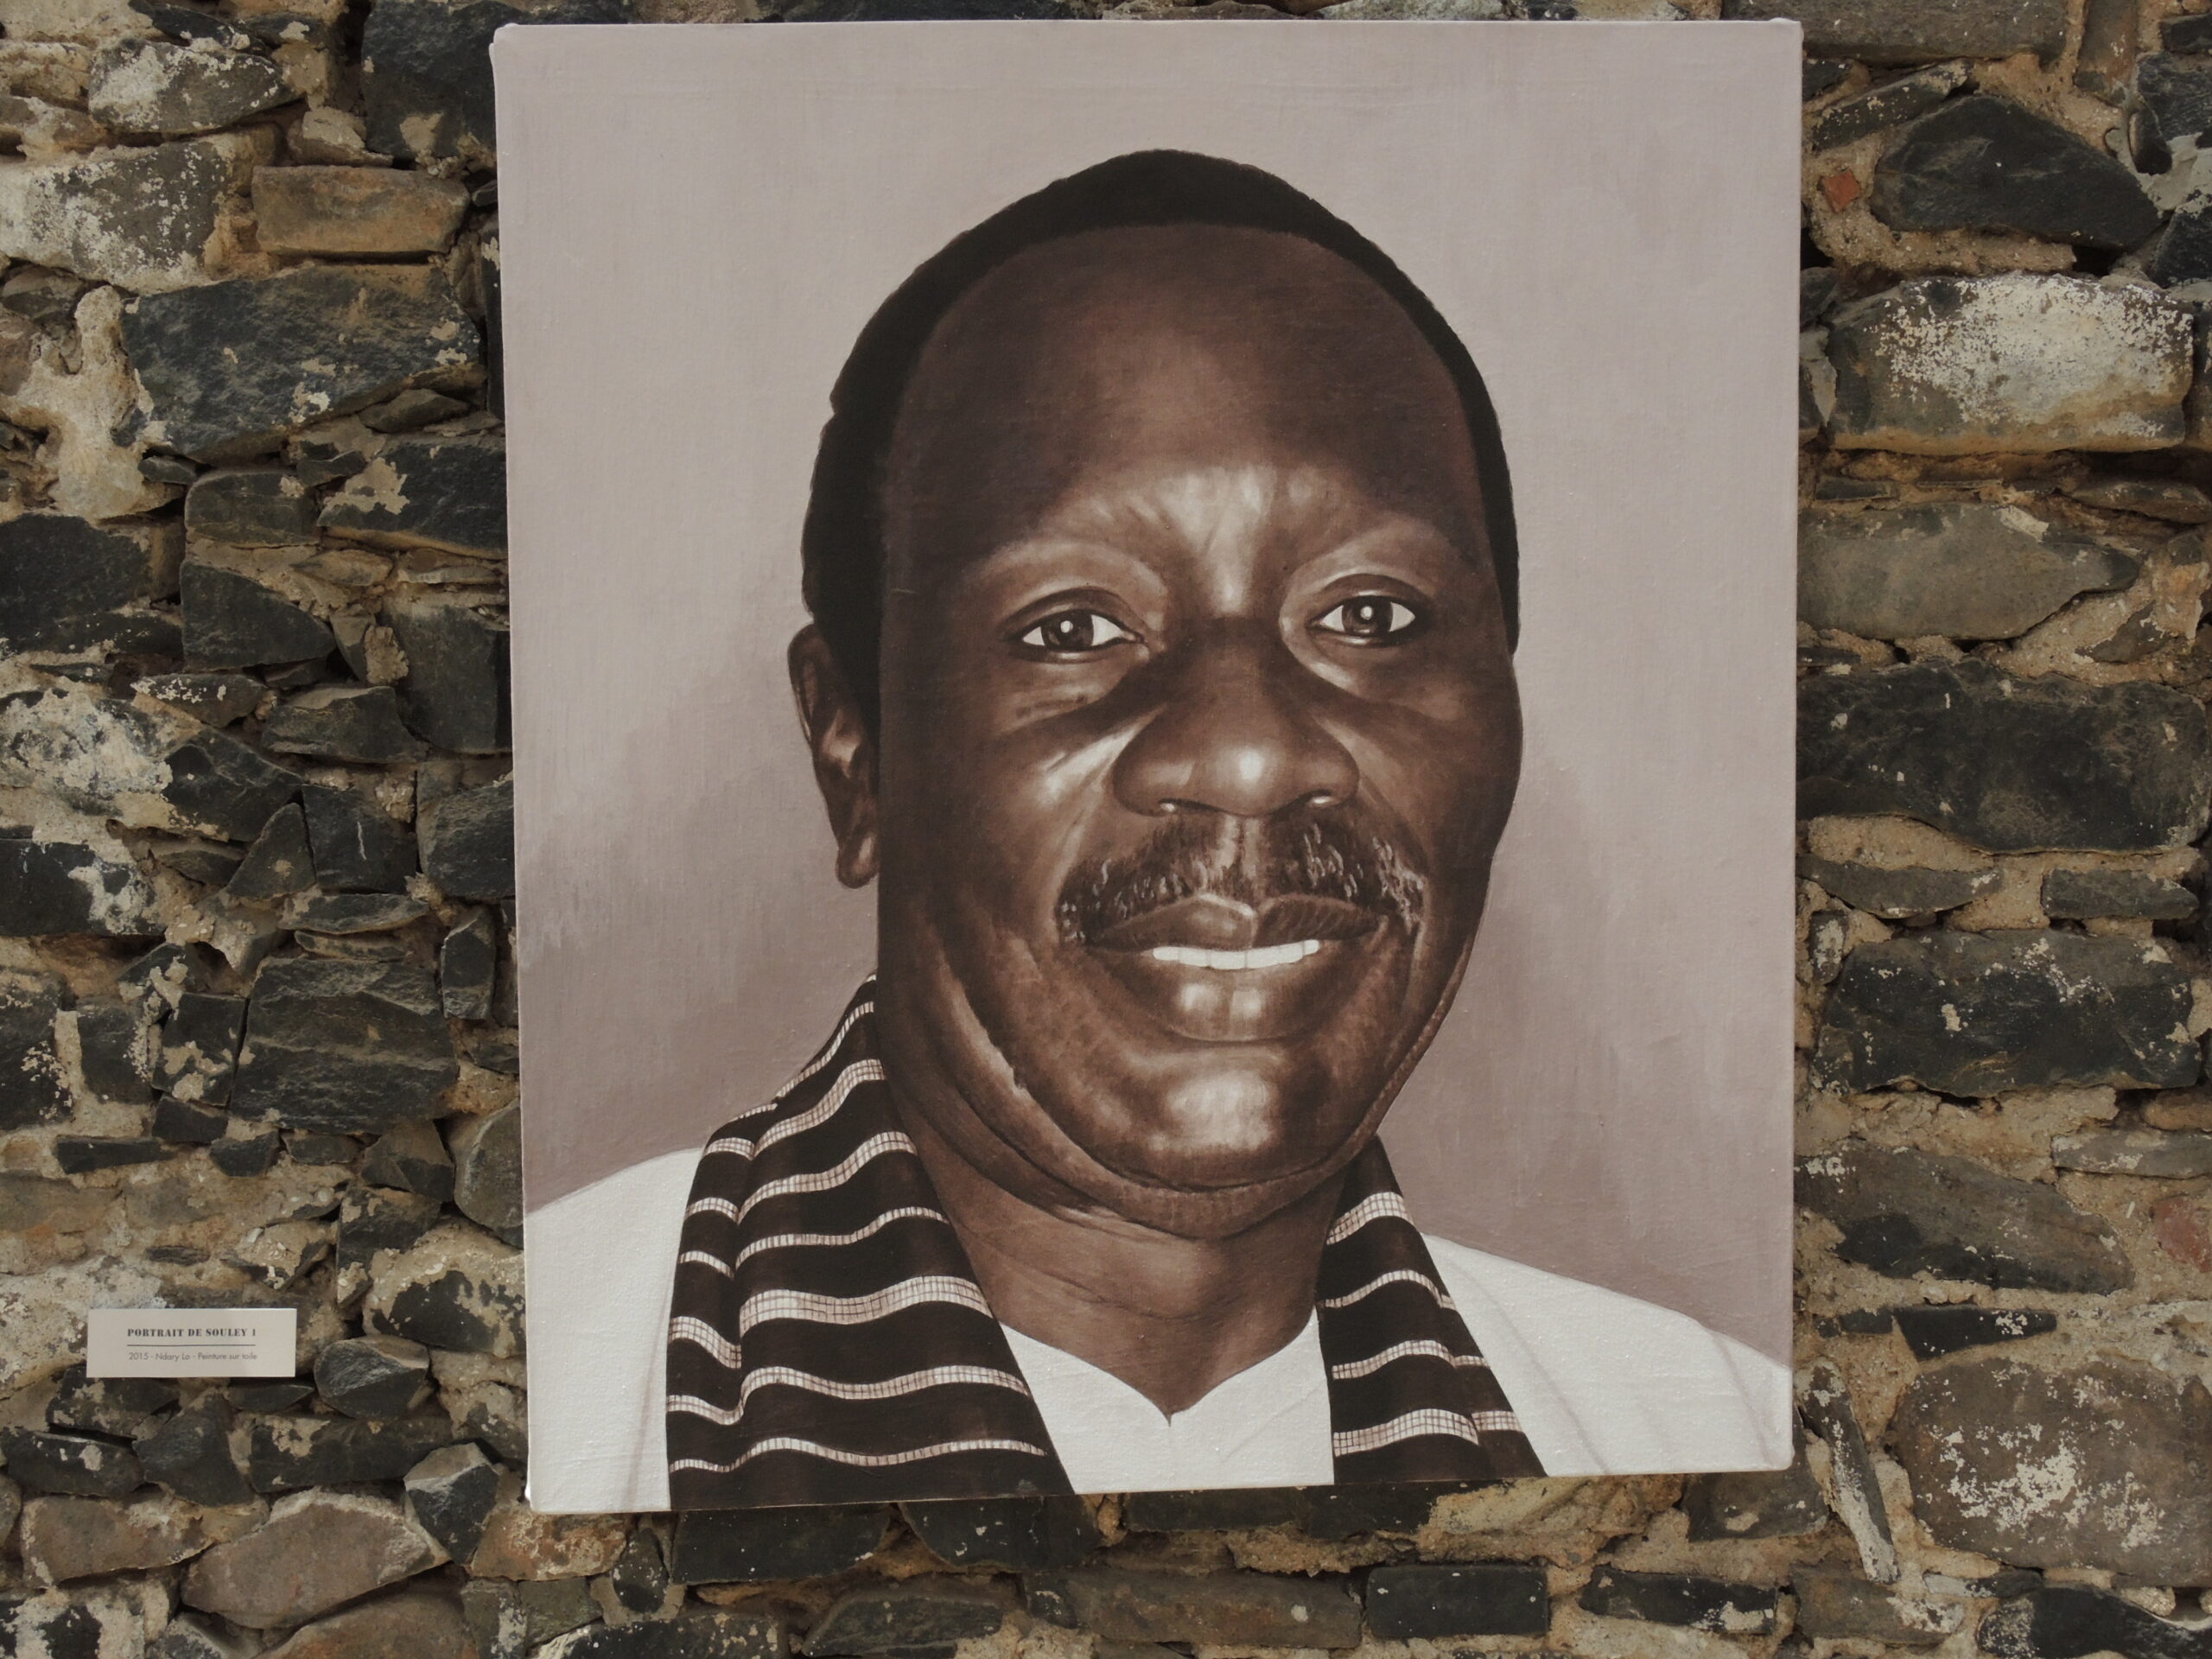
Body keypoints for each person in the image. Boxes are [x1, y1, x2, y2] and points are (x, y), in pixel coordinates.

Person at [544, 151, 1789, 1512]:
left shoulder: (1689, 1427)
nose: (1250, 755)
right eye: (1072, 628)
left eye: (1369, 616)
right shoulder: (552, 1378)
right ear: (857, 756)